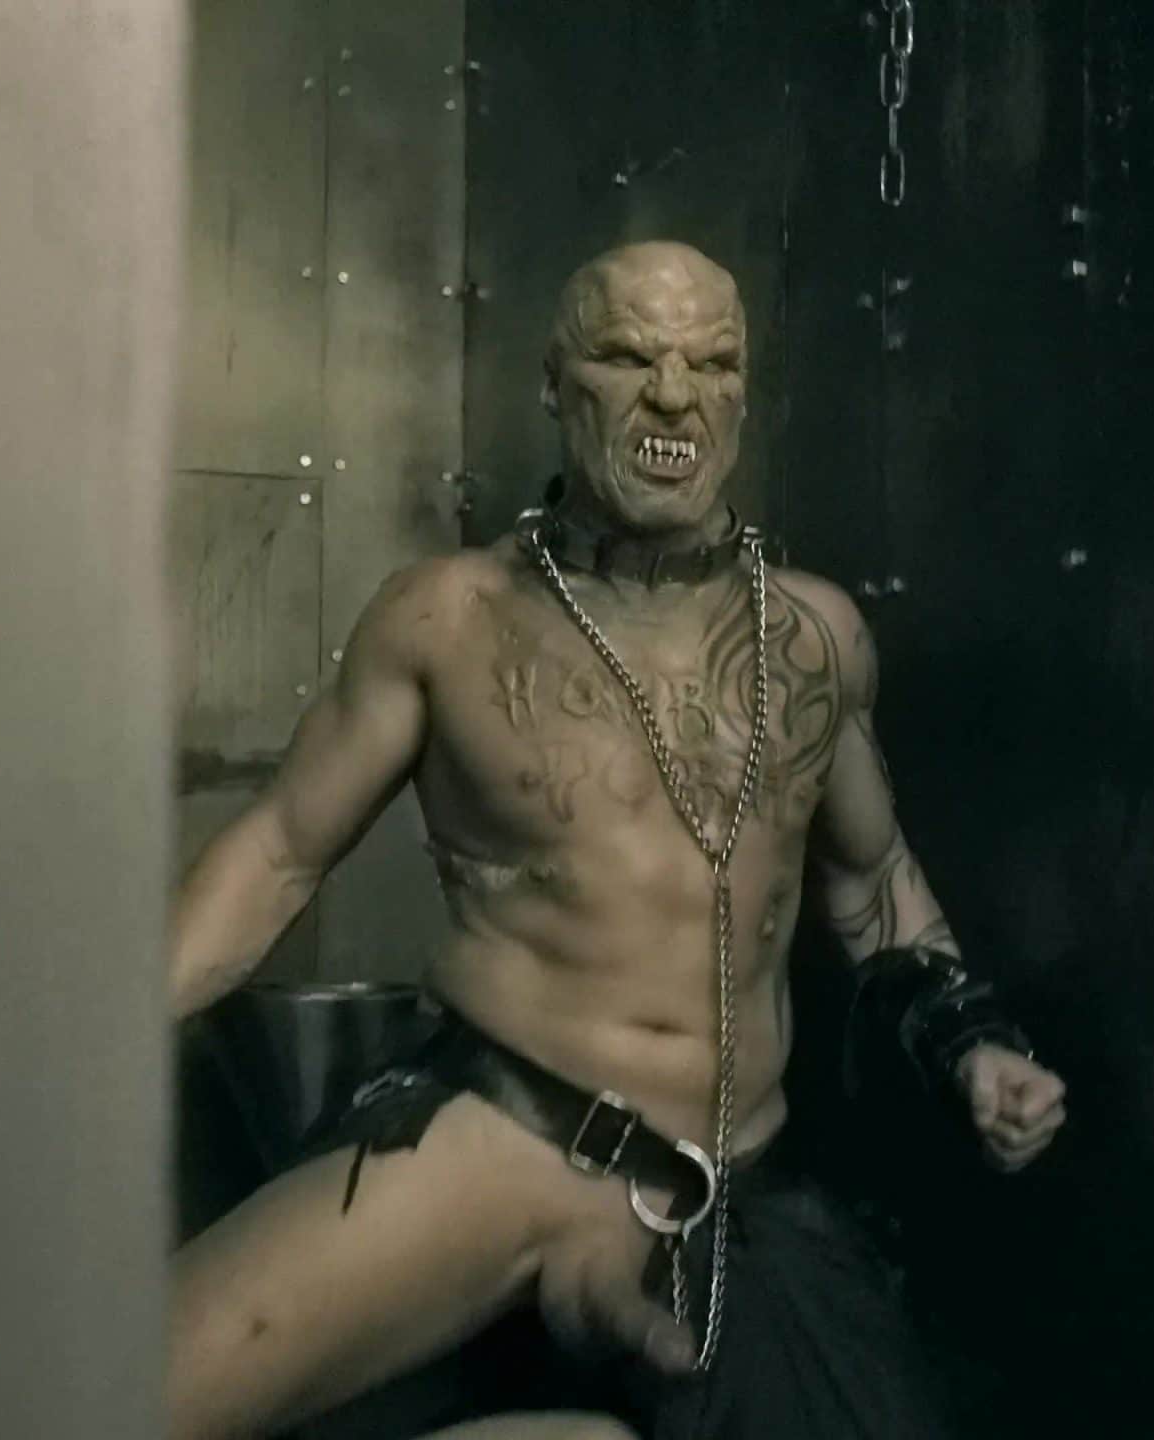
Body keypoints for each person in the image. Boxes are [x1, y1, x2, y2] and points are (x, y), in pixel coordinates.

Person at [168, 240, 1068, 1440]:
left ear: (742, 394)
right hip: (508, 1139)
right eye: (629, 357)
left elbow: (872, 877)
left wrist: (971, 1042)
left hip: (734, 1183)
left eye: (711, 363)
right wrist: (85, 1058)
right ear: (555, 385)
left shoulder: (817, 638)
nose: (672, 395)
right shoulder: (445, 618)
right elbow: (278, 852)